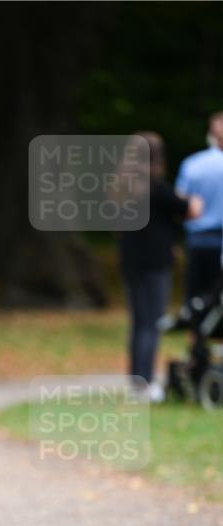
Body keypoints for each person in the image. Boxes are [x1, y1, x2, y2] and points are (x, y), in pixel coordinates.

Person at [119, 133, 201, 402]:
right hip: (155, 263)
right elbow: (189, 208)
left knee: (138, 322)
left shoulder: (123, 187)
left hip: (130, 260)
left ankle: (136, 380)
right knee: (152, 323)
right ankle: (146, 383)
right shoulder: (157, 187)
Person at [175, 112, 223, 301]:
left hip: (199, 240)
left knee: (195, 299)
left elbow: (181, 206)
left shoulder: (193, 164)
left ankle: (195, 330)